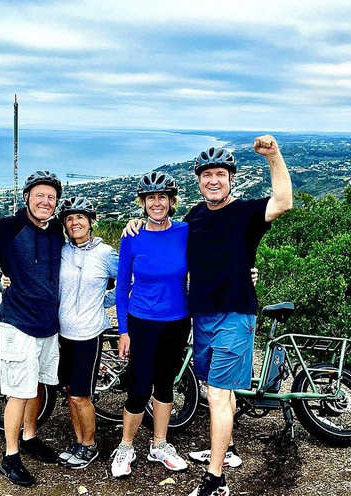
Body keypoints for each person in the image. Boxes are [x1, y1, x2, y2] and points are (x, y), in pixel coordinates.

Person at [183, 136, 292, 496]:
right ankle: (225, 449)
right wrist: (133, 229)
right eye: (207, 175)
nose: (213, 180)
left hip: (235, 313)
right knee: (222, 393)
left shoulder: (246, 213)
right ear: (199, 180)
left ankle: (215, 480)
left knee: (216, 394)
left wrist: (273, 156)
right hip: (203, 315)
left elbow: (283, 201)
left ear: (231, 179)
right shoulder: (194, 216)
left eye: (220, 174)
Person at [0, 170, 64, 487]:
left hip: (49, 322)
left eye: (51, 197)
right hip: (19, 322)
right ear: (27, 198)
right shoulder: (10, 228)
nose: (45, 201)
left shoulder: (57, 230)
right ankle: (11, 455)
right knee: (18, 392)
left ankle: (30, 436)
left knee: (38, 386)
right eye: (39, 195)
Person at [110, 171, 191, 479]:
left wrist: (245, 272)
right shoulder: (132, 236)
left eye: (162, 197)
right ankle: (126, 446)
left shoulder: (185, 232)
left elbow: (215, 252)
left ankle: (159, 445)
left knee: (166, 383)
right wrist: (123, 330)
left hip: (177, 321)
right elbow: (120, 287)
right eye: (150, 198)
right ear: (143, 203)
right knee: (138, 386)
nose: (156, 203)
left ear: (171, 202)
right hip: (142, 321)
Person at [55, 196, 119, 470]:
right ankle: (79, 441)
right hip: (63, 332)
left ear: (91, 222)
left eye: (80, 217)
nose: (75, 222)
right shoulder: (63, 251)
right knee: (70, 392)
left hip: (89, 334)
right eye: (69, 218)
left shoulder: (105, 253)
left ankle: (90, 445)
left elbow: (129, 281)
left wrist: (103, 301)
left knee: (81, 394)